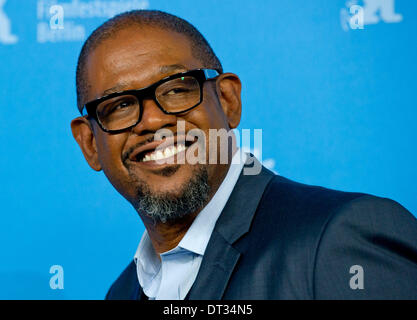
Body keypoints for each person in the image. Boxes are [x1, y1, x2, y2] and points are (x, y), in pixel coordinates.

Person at [70, 10, 417, 300]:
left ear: (227, 101)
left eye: (177, 89)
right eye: (120, 106)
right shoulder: (122, 292)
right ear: (89, 144)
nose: (154, 120)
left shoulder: (338, 240)